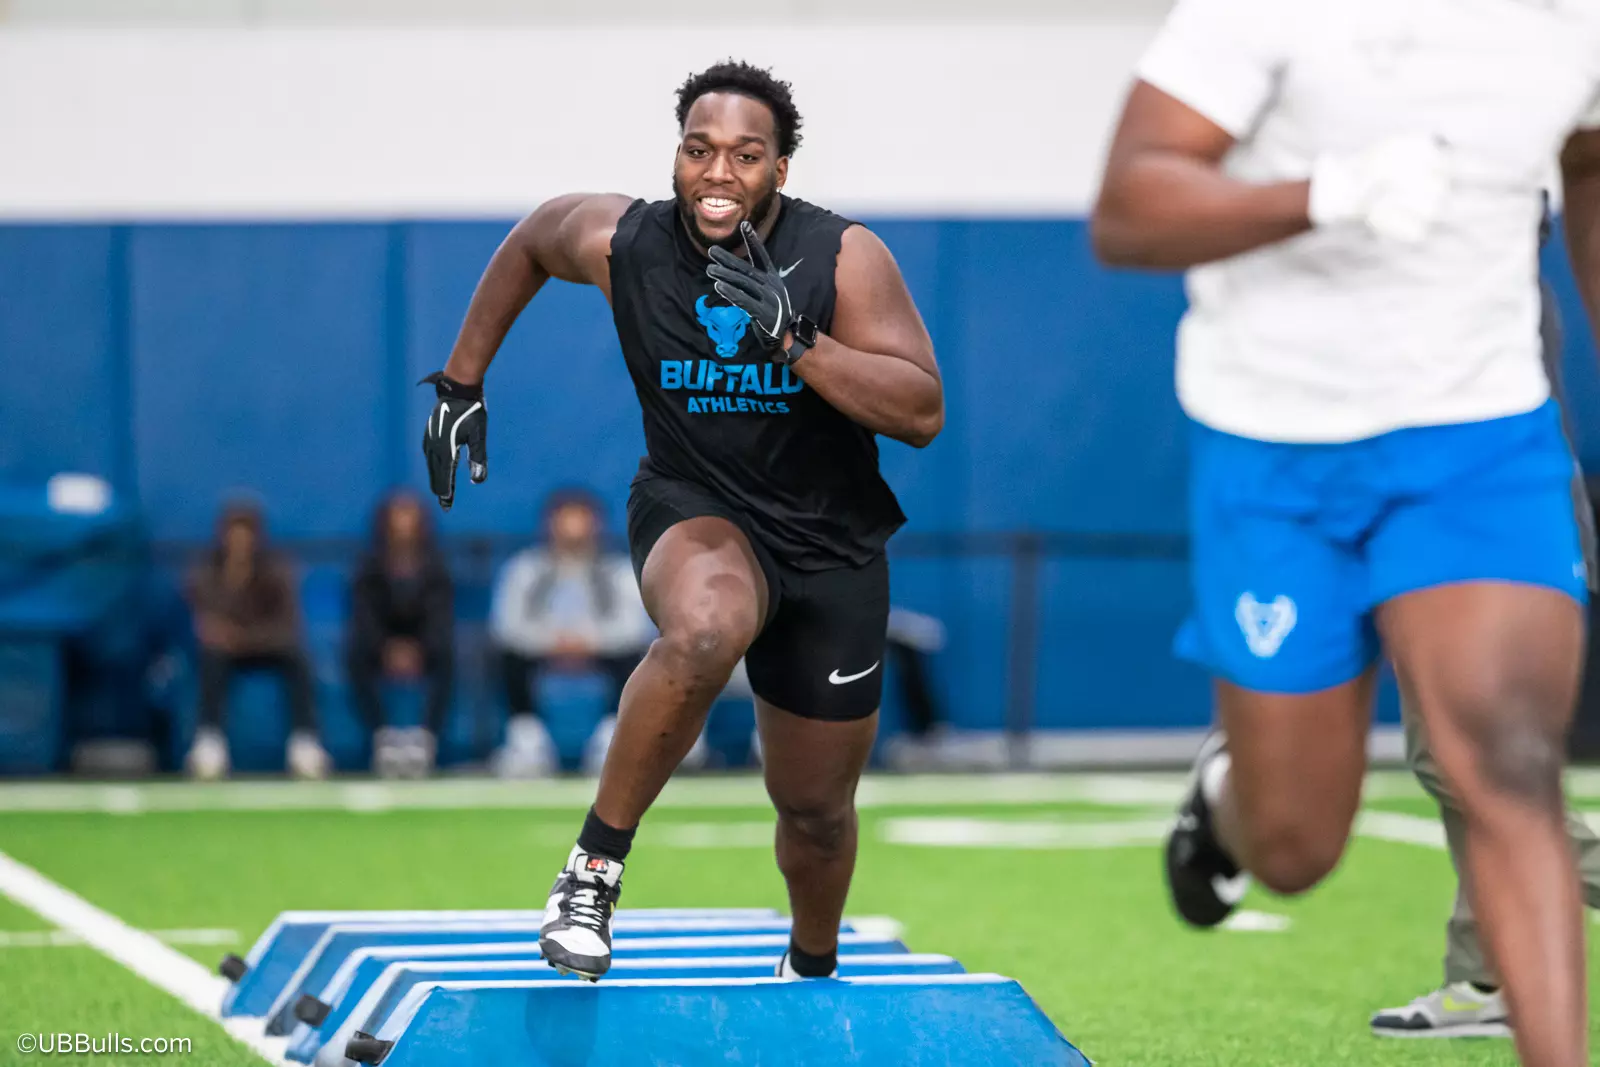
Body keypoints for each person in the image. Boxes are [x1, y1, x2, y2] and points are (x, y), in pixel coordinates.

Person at [1092, 4, 1600, 1065]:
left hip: (1479, 437)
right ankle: (1227, 802)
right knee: (1294, 843)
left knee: (1508, 758)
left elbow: (1588, 159)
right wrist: (1323, 194)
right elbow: (1128, 210)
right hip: (1277, 445)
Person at [419, 60, 942, 981]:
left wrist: (799, 341)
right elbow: (535, 238)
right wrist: (464, 378)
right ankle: (592, 872)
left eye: (746, 155)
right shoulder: (628, 242)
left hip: (830, 542)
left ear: (781, 168)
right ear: (676, 156)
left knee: (816, 812)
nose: (717, 172)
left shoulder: (842, 256)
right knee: (705, 629)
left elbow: (920, 411)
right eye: (699, 150)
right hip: (695, 504)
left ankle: (810, 968)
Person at [1371, 218, 1600, 1038]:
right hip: (1483, 518)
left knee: (1469, 759)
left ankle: (1486, 975)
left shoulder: (1466, 290)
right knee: (1469, 754)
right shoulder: (1476, 281)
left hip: (1489, 522)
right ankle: (1483, 975)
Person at [488, 488, 654, 778]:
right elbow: (507, 626)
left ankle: (612, 736)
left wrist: (589, 642)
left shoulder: (618, 571)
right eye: (565, 520)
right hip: (541, 651)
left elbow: (633, 627)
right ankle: (527, 739)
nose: (573, 531)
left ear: (596, 525)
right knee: (506, 656)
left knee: (638, 657)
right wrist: (553, 641)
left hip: (602, 651)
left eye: (581, 520)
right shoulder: (525, 569)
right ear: (549, 525)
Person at [185, 498, 328, 780]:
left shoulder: (277, 569)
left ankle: (305, 741)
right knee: (211, 658)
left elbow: (287, 625)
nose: (239, 543)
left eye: (246, 536)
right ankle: (209, 742)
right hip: (224, 652)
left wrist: (242, 637)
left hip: (267, 647)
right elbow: (204, 619)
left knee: (297, 659)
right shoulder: (207, 571)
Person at [346, 489, 455, 779]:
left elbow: (439, 617)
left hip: (425, 645)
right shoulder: (368, 567)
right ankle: (382, 736)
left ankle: (425, 738)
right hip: (379, 644)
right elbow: (364, 617)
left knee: (448, 655)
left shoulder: (436, 569)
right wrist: (385, 648)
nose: (403, 525)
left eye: (410, 517)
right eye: (397, 517)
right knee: (355, 654)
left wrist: (419, 649)